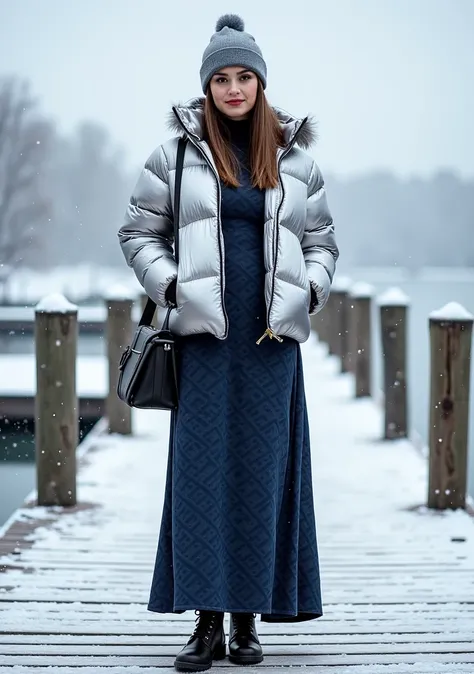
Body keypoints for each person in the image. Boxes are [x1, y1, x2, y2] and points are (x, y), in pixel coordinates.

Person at [118, 13, 339, 672]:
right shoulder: (175, 156)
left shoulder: (295, 158)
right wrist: (173, 289)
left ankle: (248, 622)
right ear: (208, 86)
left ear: (260, 84)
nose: (235, 88)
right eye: (223, 78)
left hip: (271, 347)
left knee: (261, 479)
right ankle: (205, 621)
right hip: (205, 345)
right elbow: (138, 234)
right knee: (201, 481)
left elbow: (323, 242)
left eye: (245, 77)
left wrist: (309, 293)